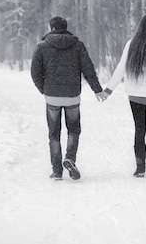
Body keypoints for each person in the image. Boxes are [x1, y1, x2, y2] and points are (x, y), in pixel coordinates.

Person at [31, 16, 107, 180]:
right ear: (65, 28)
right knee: (73, 130)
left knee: (54, 134)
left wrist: (44, 90)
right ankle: (70, 158)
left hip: (52, 98)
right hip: (72, 96)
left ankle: (57, 170)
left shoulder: (42, 47)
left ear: (51, 28)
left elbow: (35, 73)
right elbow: (88, 69)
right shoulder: (77, 45)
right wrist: (97, 90)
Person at [102, 15, 146, 178]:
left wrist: (109, 89)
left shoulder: (132, 44)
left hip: (136, 95)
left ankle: (140, 167)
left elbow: (121, 68)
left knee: (140, 129)